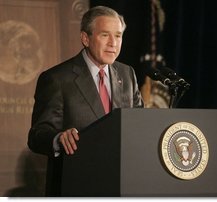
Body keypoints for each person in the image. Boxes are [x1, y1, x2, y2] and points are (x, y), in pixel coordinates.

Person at [27, 6, 143, 196]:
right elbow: (37, 135)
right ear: (85, 38)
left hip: (122, 185)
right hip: (76, 185)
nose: (113, 43)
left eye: (118, 35)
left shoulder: (127, 74)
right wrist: (59, 138)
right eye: (105, 35)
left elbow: (138, 123)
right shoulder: (57, 78)